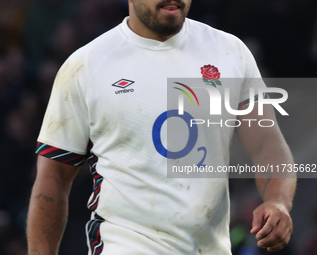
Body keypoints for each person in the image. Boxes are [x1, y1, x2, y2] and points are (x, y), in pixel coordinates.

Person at [27, 0, 297, 254]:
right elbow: (53, 180)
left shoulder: (230, 52)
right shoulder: (85, 66)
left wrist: (278, 201)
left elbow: (267, 144)